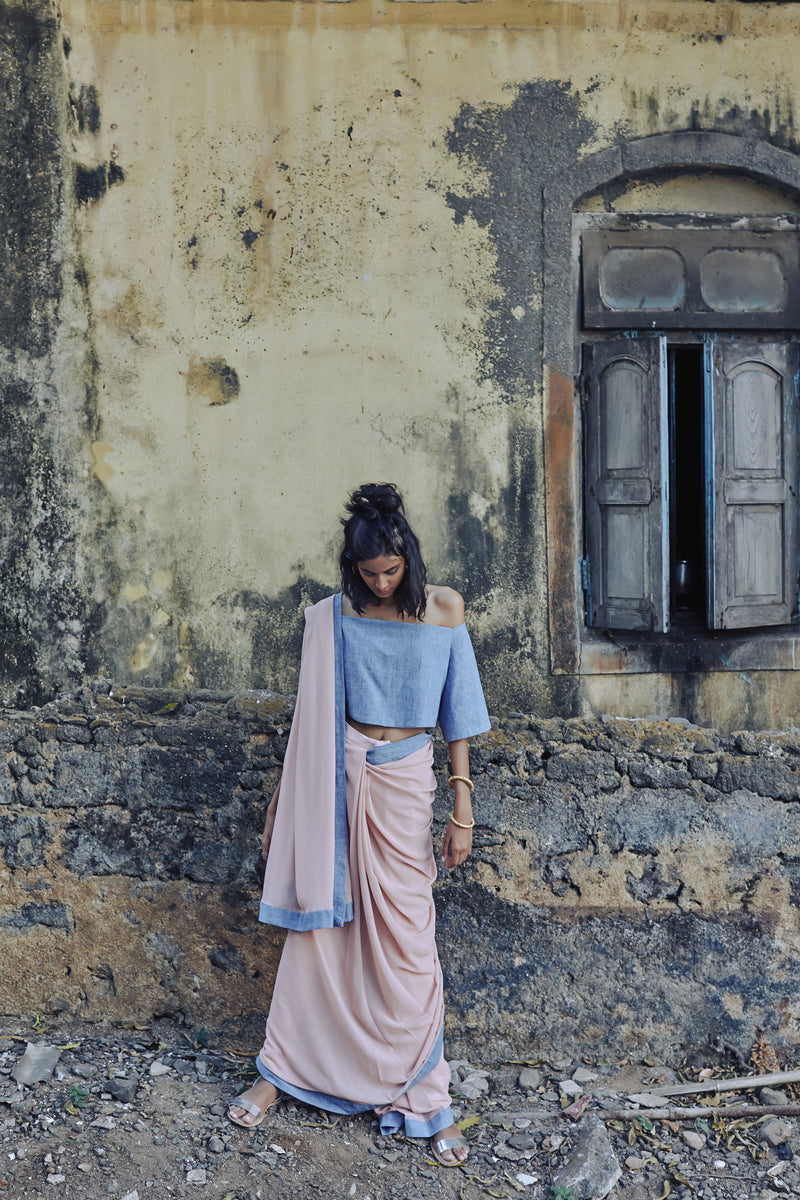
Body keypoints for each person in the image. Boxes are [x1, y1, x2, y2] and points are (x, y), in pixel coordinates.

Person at [228, 483, 491, 1167]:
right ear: (354, 567)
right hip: (334, 781)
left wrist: (463, 806)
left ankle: (427, 1096)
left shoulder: (444, 609)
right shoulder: (333, 617)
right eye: (369, 572)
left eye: (391, 570)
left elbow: (458, 716)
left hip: (405, 786)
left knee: (409, 940)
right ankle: (280, 1070)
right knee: (320, 933)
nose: (380, 582)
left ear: (409, 557)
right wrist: (284, 804)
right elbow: (309, 720)